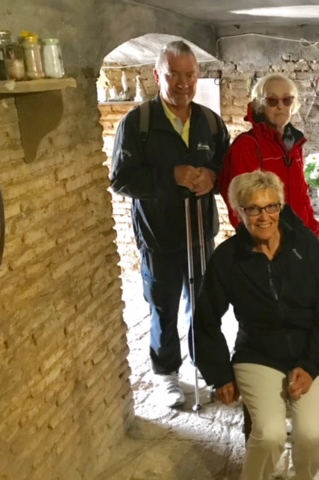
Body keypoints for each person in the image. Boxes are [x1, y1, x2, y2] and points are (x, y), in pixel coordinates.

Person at [194, 171, 319, 480]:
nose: (264, 217)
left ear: (281, 207)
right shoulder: (228, 258)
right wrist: (219, 373)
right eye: (254, 208)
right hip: (258, 354)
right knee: (269, 434)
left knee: (310, 435)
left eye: (271, 206)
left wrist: (311, 365)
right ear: (239, 211)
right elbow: (205, 319)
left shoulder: (305, 246)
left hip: (312, 353)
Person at [110, 40, 230, 407]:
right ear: (156, 75)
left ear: (198, 75)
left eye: (189, 75)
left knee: (203, 307)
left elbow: (227, 167)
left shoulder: (210, 122)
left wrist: (213, 177)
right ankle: (166, 375)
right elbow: (121, 180)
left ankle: (205, 365)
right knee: (163, 309)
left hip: (199, 235)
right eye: (173, 74)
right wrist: (171, 176)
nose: (183, 83)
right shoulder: (139, 123)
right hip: (158, 237)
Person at [220, 73, 319, 236]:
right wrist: (265, 244)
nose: (280, 106)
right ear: (260, 105)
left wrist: (313, 233)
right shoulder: (247, 146)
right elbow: (241, 206)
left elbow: (302, 196)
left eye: (287, 100)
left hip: (298, 240)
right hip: (267, 243)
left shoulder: (294, 145)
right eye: (272, 101)